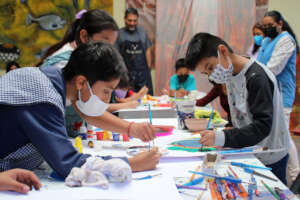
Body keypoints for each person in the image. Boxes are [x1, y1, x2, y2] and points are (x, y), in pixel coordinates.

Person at [0, 42, 160, 179]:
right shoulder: (44, 98)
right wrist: (132, 164)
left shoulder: (50, 79)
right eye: (106, 91)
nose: (107, 99)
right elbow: (69, 164)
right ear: (81, 82)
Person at [185, 32, 290, 184]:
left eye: (210, 67)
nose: (211, 75)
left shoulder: (256, 78)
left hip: (270, 156)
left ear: (223, 51)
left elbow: (262, 126)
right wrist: (231, 129)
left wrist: (223, 138)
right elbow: (240, 113)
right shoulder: (230, 74)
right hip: (250, 150)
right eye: (205, 72)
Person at [36, 9, 145, 138]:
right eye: (105, 42)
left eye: (112, 44)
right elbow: (87, 111)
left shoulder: (86, 62)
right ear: (84, 36)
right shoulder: (63, 64)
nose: (109, 49)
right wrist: (131, 128)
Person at [257, 10, 300, 183]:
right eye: (264, 26)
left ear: (280, 24)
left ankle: (295, 175)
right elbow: (259, 64)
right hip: (268, 93)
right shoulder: (267, 40)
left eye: (270, 26)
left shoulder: (286, 41)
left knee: (284, 137)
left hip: (282, 94)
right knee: (277, 136)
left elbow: (273, 68)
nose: (267, 29)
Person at [115, 8, 153, 95]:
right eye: (130, 20)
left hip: (143, 74)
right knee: (129, 100)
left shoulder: (143, 32)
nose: (132, 23)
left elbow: (148, 51)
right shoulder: (119, 34)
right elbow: (116, 55)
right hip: (127, 74)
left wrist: (148, 69)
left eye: (135, 21)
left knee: (146, 100)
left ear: (138, 19)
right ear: (124, 19)